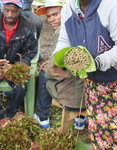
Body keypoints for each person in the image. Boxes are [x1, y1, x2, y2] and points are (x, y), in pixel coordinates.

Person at [53, 0, 117, 149]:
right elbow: (65, 39)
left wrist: (97, 63)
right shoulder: (69, 8)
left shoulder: (113, 5)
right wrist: (61, 56)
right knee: (97, 124)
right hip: (94, 77)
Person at [0, 0, 38, 119]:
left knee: (21, 86)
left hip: (15, 65)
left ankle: (11, 113)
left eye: (14, 11)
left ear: (20, 10)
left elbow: (31, 52)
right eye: (7, 10)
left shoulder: (29, 26)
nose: (10, 15)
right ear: (2, 7)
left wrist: (18, 66)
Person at [32, 0, 85, 129]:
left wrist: (48, 66)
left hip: (72, 89)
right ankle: (80, 118)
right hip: (84, 84)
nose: (51, 19)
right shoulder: (80, 25)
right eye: (49, 16)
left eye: (55, 14)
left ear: (66, 11)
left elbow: (58, 68)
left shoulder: (63, 31)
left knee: (44, 75)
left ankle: (42, 116)